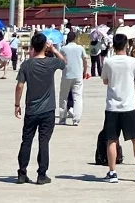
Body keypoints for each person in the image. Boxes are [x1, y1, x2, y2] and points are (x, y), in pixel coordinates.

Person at [14, 33, 68, 185]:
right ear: (45, 45)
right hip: (47, 110)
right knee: (44, 142)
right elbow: (64, 63)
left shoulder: (26, 64)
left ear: (32, 46)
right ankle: (41, 174)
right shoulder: (51, 63)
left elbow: (19, 86)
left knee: (26, 141)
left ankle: (22, 173)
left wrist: (17, 104)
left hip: (31, 110)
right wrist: (55, 49)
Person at [100, 34, 135, 183]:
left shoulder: (108, 62)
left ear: (113, 46)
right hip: (129, 106)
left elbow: (105, 80)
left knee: (111, 139)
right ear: (125, 45)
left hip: (112, 106)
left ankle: (112, 172)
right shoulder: (132, 62)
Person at [58, 32, 89, 126]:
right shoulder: (80, 48)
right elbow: (85, 60)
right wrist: (85, 71)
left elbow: (60, 60)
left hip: (66, 75)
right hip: (77, 75)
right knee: (77, 98)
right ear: (75, 38)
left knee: (63, 97)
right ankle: (76, 119)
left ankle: (62, 118)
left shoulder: (63, 48)